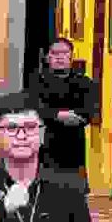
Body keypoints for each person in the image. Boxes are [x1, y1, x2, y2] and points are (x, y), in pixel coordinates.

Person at [29, 38, 100, 192]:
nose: (60, 57)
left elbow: (88, 112)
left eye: (64, 53)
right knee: (44, 192)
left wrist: (55, 115)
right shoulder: (37, 82)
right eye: (55, 53)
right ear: (47, 57)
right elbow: (35, 108)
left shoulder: (84, 82)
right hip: (45, 144)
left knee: (74, 193)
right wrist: (58, 115)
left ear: (71, 56)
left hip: (73, 146)